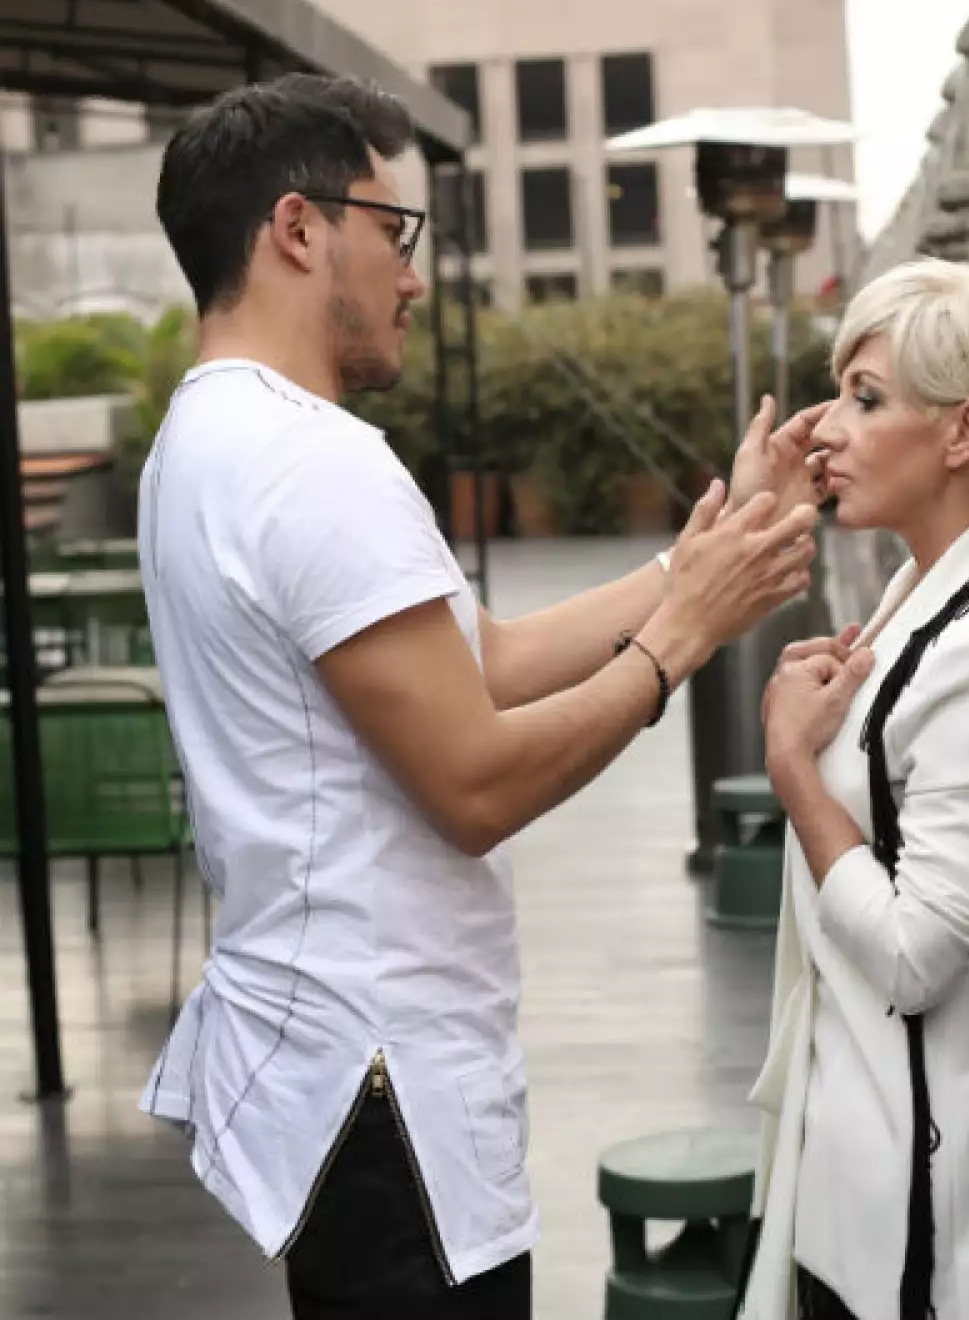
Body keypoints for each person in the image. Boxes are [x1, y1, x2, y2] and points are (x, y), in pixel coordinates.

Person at [136, 72, 822, 1320]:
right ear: (298, 230)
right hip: (381, 1081)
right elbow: (475, 782)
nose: (411, 276)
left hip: (326, 1061)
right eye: (391, 233)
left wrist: (692, 565)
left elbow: (484, 659)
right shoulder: (312, 462)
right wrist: (681, 642)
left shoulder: (206, 438)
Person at [740, 259, 969, 1320]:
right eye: (838, 393)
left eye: (866, 400)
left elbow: (914, 958)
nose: (826, 432)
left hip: (918, 1215)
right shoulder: (931, 590)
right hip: (863, 1158)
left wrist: (791, 769)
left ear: (963, 433)